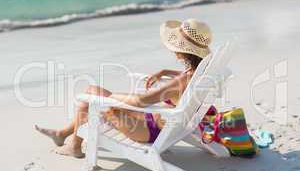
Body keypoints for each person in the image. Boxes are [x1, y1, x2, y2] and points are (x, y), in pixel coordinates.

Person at [35, 18, 213, 158]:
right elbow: (185, 80)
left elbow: (140, 101)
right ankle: (63, 134)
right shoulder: (202, 72)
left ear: (182, 51)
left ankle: (74, 146)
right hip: (162, 124)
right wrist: (166, 71)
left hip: (150, 131)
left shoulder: (181, 81)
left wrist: (111, 97)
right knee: (94, 92)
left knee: (91, 97)